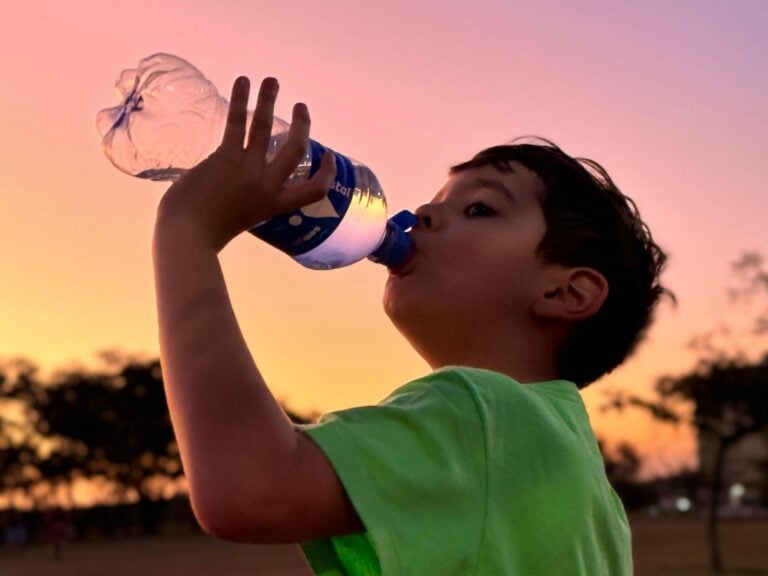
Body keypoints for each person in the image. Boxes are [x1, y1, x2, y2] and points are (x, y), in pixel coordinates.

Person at [152, 76, 669, 575]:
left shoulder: (486, 415)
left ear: (565, 292)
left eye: (479, 208)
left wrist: (187, 235)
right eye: (436, 200)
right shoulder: (573, 471)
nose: (421, 212)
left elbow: (249, 487)